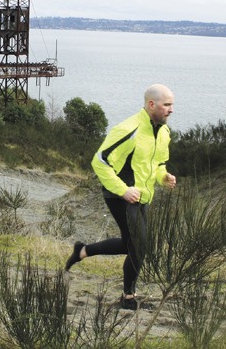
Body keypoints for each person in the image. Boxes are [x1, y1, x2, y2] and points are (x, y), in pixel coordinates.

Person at [65, 83, 177, 310]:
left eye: (172, 105)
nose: (171, 109)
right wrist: (123, 190)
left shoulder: (163, 132)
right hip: (120, 195)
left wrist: (164, 177)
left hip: (142, 195)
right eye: (167, 105)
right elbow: (100, 161)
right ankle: (128, 298)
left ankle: (82, 251)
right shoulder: (128, 129)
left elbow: (158, 164)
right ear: (151, 104)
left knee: (131, 244)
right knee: (140, 246)